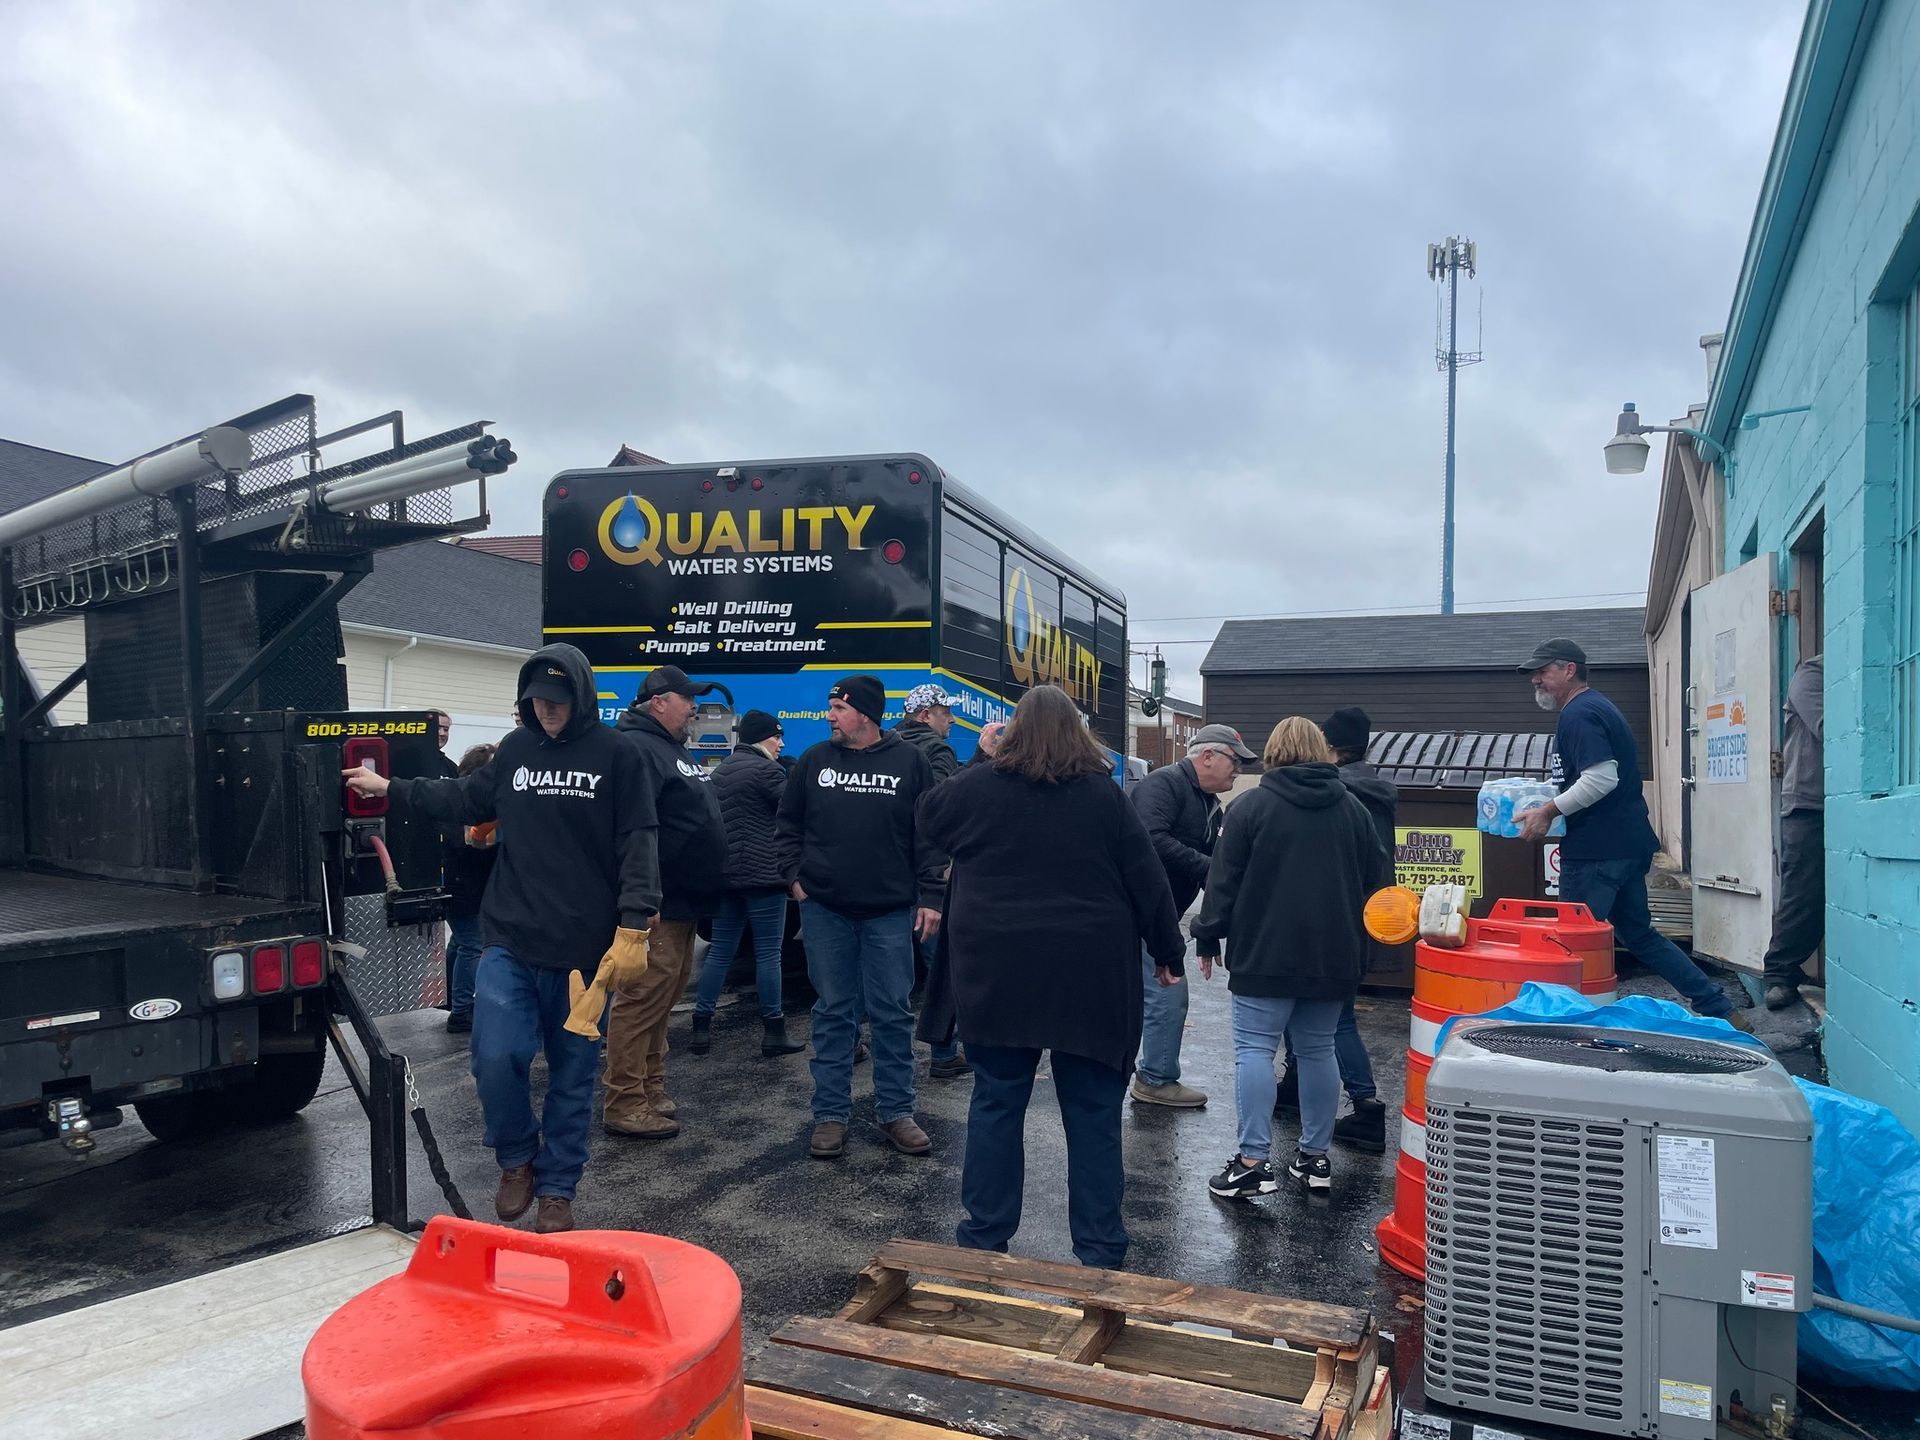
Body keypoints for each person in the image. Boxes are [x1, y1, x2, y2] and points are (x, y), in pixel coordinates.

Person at [344, 644, 659, 1233]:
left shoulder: (619, 756)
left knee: (571, 1074)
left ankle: (559, 1187)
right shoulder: (516, 751)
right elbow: (463, 797)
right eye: (537, 700)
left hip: (584, 952)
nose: (547, 710)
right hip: (510, 938)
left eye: (558, 701)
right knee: (495, 1056)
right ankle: (517, 1159)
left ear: (582, 697)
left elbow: (638, 841)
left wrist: (636, 923)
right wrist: (389, 786)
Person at [918, 685, 1184, 1268]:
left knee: (996, 1100)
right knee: (1092, 1113)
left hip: (997, 969)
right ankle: (1100, 1252)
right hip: (1089, 973)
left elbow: (931, 817)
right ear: (1077, 733)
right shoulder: (1103, 796)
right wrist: (1167, 951)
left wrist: (979, 759)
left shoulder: (980, 789)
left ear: (1013, 732)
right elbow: (1148, 877)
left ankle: (984, 1242)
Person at [1193, 717, 1390, 1199]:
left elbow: (1223, 882)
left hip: (1265, 951)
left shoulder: (1249, 808)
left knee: (1256, 1050)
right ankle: (1314, 1158)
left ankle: (1253, 1162)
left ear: (1276, 753)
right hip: (1333, 954)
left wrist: (1206, 935)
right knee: (1319, 1050)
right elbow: (1378, 881)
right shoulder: (1353, 810)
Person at [1516, 638, 1747, 1025]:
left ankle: (1557, 1027)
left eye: (1543, 671)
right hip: (1625, 844)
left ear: (1569, 669)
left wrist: (1549, 810)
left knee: (1567, 942)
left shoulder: (1580, 714)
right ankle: (1719, 1007)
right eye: (1533, 674)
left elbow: (1601, 779)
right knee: (1638, 935)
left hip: (1597, 852)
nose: (1535, 680)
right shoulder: (1594, 707)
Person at [777, 674, 946, 1161]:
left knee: (893, 1013)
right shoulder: (814, 761)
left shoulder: (909, 762)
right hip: (826, 910)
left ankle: (896, 1112)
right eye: (831, 707)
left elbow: (929, 836)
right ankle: (830, 1116)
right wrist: (794, 878)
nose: (829, 715)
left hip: (890, 913)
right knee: (833, 1012)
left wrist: (932, 895)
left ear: (865, 715)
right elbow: (787, 825)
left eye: (837, 707)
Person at [603, 665, 728, 1141]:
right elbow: (637, 830)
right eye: (686, 699)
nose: (694, 707)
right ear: (659, 701)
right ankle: (625, 1100)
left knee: (663, 1000)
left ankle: (650, 1087)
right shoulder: (636, 746)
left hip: (685, 902)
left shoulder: (669, 745)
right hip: (659, 903)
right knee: (639, 1000)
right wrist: (642, 898)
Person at [1275, 707, 1393, 1151]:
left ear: (1331, 745)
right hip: (1366, 913)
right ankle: (1294, 1085)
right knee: (1314, 1009)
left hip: (1337, 916)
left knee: (1334, 1017)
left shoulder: (1341, 793)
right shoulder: (1374, 787)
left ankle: (1366, 1107)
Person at [1126, 723, 1254, 1108]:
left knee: (1148, 995)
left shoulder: (1206, 801)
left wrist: (1211, 925)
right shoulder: (1162, 785)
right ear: (1207, 756)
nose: (1238, 771)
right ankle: (1156, 1079)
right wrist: (1212, 870)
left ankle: (1147, 1074)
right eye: (1235, 762)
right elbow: (1151, 840)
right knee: (1168, 992)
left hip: (1154, 913)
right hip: (1137, 912)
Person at [691, 709, 806, 1057]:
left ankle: (700, 1026)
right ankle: (774, 1031)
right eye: (776, 736)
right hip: (765, 878)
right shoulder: (768, 771)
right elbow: (795, 812)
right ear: (760, 739)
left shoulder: (721, 771)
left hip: (728, 878)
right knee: (769, 954)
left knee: (721, 952)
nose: (781, 742)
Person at [893, 683, 970, 1079]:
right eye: (945, 712)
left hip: (886, 876)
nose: (952, 720)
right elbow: (939, 810)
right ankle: (944, 1053)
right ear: (926, 716)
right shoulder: (938, 751)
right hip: (925, 875)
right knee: (940, 965)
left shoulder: (887, 744)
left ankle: (853, 1039)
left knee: (879, 967)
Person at [1763, 655, 1824, 1009]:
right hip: (1808, 802)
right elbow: (1831, 728)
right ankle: (1779, 973)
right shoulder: (1813, 672)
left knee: (1823, 897)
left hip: (1834, 802)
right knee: (1803, 894)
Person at [441, 741, 499, 1035]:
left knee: (460, 943)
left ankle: (451, 999)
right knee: (472, 944)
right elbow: (470, 842)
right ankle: (461, 1010)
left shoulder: (459, 795)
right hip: (465, 888)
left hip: (460, 886)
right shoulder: (467, 802)